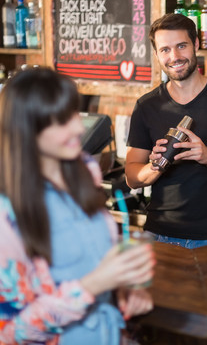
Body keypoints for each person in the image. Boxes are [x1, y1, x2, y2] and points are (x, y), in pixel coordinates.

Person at [0, 68, 155, 345]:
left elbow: (94, 256)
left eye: (73, 113)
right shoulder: (7, 212)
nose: (76, 127)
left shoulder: (84, 169)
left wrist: (123, 289)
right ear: (26, 131)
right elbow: (11, 333)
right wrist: (96, 284)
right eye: (60, 121)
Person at [125, 13, 207, 249]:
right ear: (156, 55)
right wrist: (155, 166)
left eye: (181, 46)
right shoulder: (147, 106)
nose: (174, 57)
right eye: (165, 50)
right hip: (160, 234)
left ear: (195, 45)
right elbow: (132, 178)